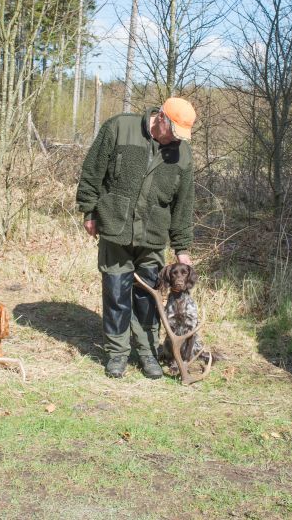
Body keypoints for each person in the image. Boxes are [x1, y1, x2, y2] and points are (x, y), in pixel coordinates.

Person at [76, 98, 196, 379]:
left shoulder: (184, 155)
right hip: (115, 227)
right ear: (162, 119)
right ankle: (117, 354)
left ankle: (147, 354)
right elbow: (93, 170)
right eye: (175, 133)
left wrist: (182, 247)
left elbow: (184, 204)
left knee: (148, 299)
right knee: (117, 293)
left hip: (153, 236)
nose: (177, 141)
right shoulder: (120, 127)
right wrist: (89, 210)